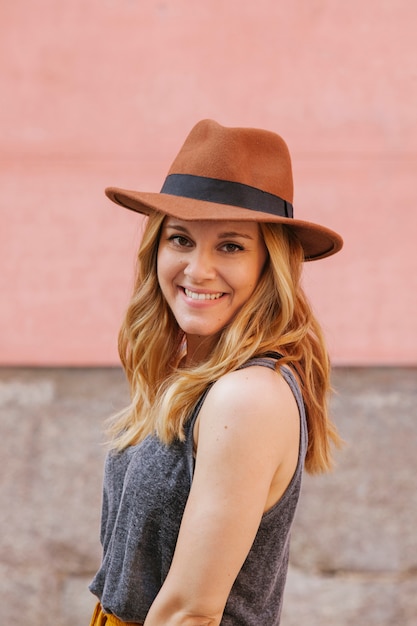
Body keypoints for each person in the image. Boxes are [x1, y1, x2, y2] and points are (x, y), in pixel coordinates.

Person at [88, 119, 343, 626]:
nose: (198, 269)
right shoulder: (196, 377)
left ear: (270, 265)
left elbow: (190, 612)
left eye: (230, 246)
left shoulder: (247, 395)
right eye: (180, 239)